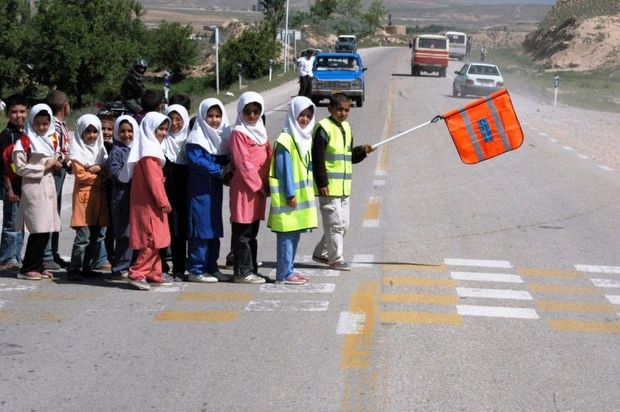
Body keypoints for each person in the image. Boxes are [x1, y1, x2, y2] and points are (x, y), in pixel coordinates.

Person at [311, 93, 373, 270]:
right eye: (339, 109)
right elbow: (317, 159)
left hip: (344, 188)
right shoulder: (323, 128)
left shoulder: (346, 127)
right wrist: (322, 183)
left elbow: (348, 157)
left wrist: (361, 151)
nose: (343, 113)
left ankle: (321, 253)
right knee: (335, 225)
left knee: (343, 225)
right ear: (330, 109)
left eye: (347, 110)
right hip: (328, 188)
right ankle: (336, 259)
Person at [267, 96, 318, 284]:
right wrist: (290, 193)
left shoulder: (304, 137)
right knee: (286, 236)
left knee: (294, 234)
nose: (304, 119)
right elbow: (283, 169)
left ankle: (289, 269)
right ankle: (283, 274)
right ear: (292, 116)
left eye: (307, 115)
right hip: (289, 197)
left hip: (300, 197)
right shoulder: (285, 139)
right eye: (300, 115)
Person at [122, 112, 172, 290]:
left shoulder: (149, 149)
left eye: (166, 129)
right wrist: (163, 202)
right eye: (160, 129)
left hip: (150, 203)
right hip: (150, 204)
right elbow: (154, 182)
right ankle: (137, 272)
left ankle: (154, 273)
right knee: (151, 240)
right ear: (150, 129)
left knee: (156, 240)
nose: (163, 133)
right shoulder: (149, 154)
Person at [185, 98, 233, 283]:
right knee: (200, 229)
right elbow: (198, 162)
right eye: (210, 116)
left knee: (214, 228)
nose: (214, 120)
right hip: (200, 190)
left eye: (218, 116)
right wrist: (220, 170)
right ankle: (196, 269)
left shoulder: (221, 138)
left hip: (215, 191)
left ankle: (212, 267)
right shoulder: (196, 139)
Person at [12, 104, 62, 280]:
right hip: (34, 188)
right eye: (38, 123)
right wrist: (43, 166)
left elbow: (57, 154)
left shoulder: (51, 138)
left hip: (48, 187)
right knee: (37, 229)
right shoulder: (24, 142)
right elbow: (19, 168)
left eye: (45, 123)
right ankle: (28, 268)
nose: (41, 127)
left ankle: (38, 265)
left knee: (46, 228)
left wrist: (57, 162)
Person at [229, 91, 272, 284]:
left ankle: (251, 269)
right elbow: (242, 163)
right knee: (243, 232)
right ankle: (242, 272)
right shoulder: (239, 133)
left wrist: (269, 182)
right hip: (246, 190)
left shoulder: (261, 132)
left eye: (256, 111)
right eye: (248, 112)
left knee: (252, 232)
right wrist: (258, 186)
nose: (252, 116)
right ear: (241, 112)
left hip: (258, 191)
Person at [66, 115, 109, 281]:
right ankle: (74, 268)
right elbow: (81, 175)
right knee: (82, 237)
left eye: (94, 131)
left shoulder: (101, 151)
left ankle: (87, 267)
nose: (92, 135)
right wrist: (99, 176)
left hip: (98, 200)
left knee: (95, 236)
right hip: (84, 200)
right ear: (81, 133)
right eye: (88, 131)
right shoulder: (76, 152)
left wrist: (98, 168)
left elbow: (107, 170)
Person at [105, 115, 138, 279]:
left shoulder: (138, 149)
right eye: (122, 131)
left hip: (136, 199)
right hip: (121, 198)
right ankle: (119, 267)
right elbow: (116, 173)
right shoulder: (116, 152)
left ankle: (131, 264)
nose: (127, 135)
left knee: (134, 233)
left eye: (130, 131)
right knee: (124, 234)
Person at [43, 90, 72, 270]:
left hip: (60, 171)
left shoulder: (60, 124)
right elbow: (52, 148)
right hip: (53, 171)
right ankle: (46, 254)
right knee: (49, 213)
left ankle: (53, 252)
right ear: (65, 105)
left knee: (56, 214)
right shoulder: (52, 125)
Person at [161, 104, 190, 281]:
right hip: (165, 192)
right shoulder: (162, 140)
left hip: (184, 192)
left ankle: (180, 267)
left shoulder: (189, 139)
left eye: (179, 119)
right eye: (171, 119)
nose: (175, 123)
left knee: (180, 231)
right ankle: (162, 266)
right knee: (164, 229)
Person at [0, 94, 27, 270]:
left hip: (24, 184)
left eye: (22, 111)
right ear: (7, 114)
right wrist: (9, 189)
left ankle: (17, 256)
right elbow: (3, 166)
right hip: (11, 185)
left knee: (21, 223)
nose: (19, 115)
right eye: (14, 112)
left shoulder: (26, 133)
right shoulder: (6, 136)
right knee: (11, 223)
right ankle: (7, 258)